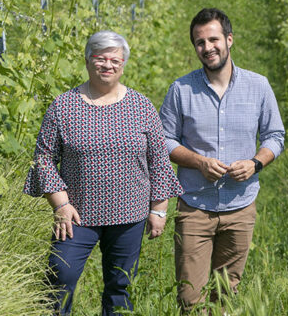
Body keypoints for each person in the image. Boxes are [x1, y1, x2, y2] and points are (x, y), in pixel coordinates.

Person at [23, 30, 184, 316]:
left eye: (115, 61)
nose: (107, 65)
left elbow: (159, 158)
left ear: (123, 65)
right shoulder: (63, 106)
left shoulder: (141, 106)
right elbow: (44, 158)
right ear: (87, 61)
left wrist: (159, 208)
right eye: (100, 58)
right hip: (77, 215)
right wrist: (60, 204)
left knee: (120, 285)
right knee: (60, 277)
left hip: (129, 214)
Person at [159, 8, 285, 311]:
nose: (207, 48)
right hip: (194, 208)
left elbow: (275, 137)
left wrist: (255, 163)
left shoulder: (259, 86)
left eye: (213, 39)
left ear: (229, 40)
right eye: (200, 43)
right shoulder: (181, 90)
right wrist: (199, 162)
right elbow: (163, 141)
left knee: (226, 295)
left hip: (240, 208)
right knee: (190, 299)